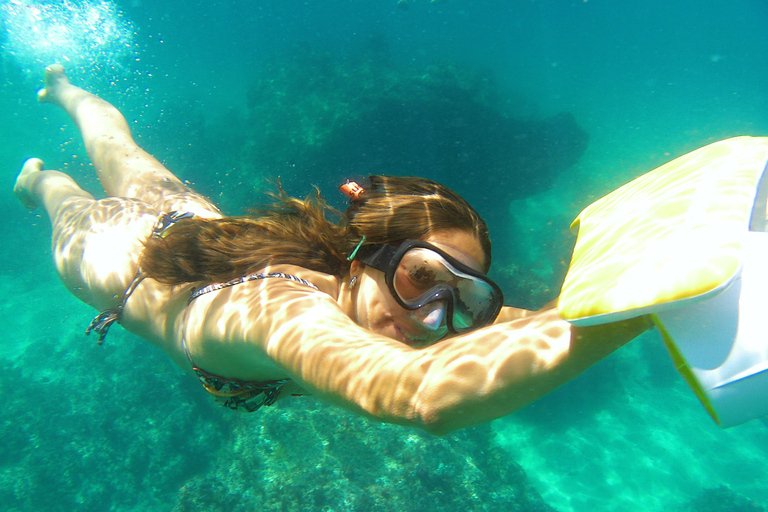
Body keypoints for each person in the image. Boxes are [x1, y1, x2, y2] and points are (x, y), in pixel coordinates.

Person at [14, 65, 650, 435]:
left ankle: (66, 92)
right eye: (421, 276)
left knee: (127, 155)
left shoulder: (372, 295)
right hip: (110, 259)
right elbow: (414, 393)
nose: (432, 318)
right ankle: (41, 165)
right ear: (365, 255)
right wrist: (643, 314)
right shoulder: (278, 312)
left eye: (463, 300)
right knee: (72, 190)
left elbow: (515, 323)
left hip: (193, 223)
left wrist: (620, 288)